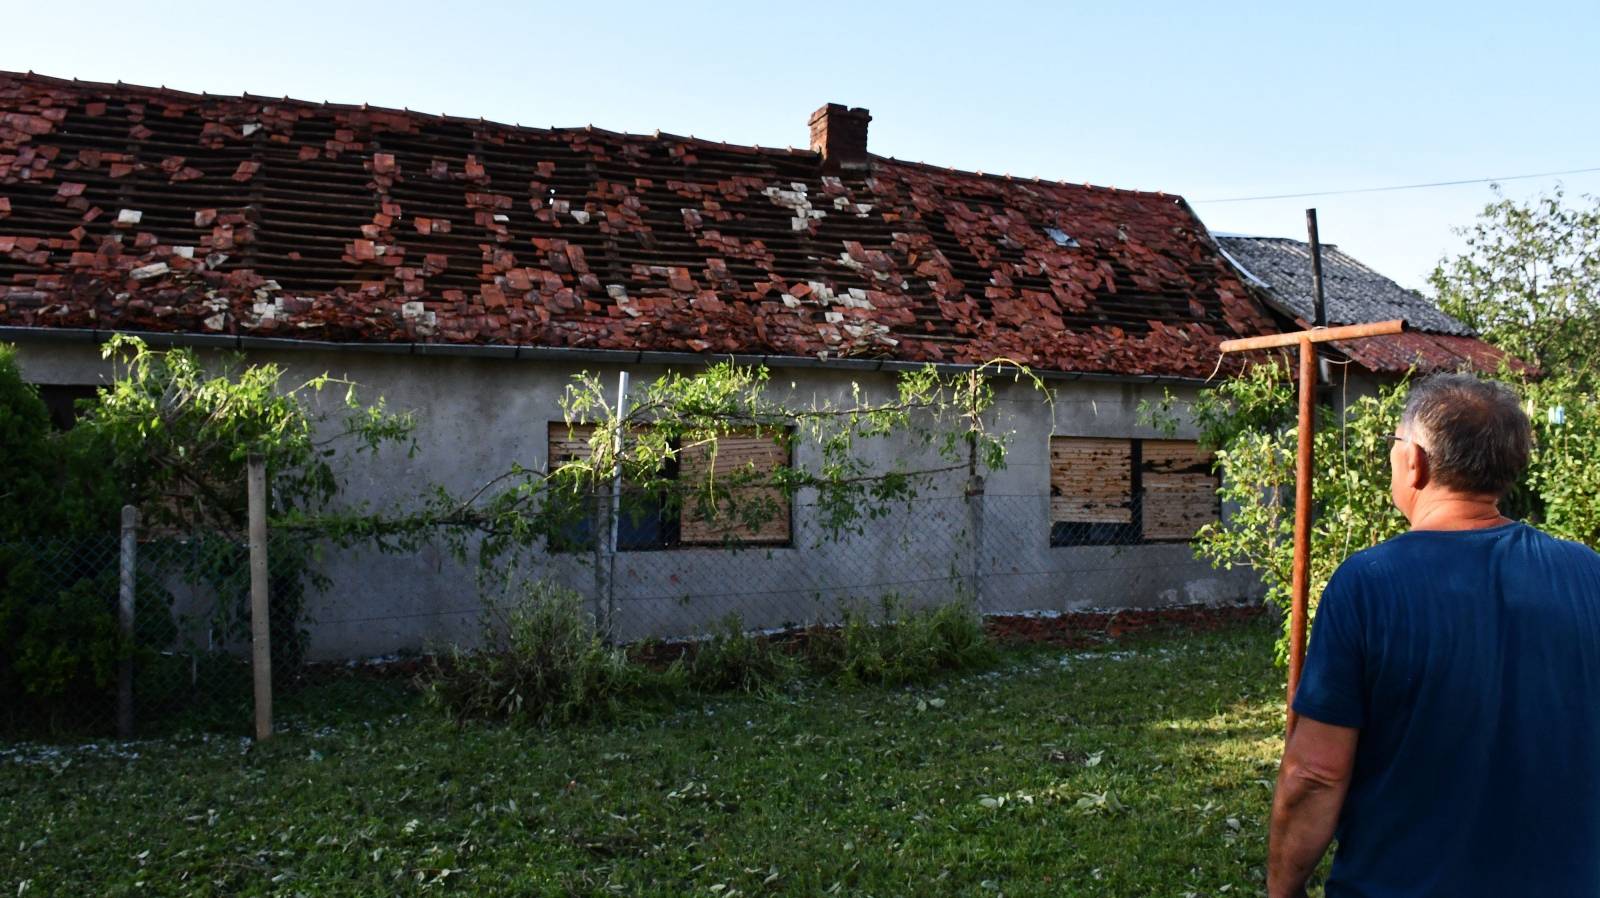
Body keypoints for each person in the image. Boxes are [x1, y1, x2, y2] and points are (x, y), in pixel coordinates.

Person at [1267, 373, 1600, 897]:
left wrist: (1283, 891)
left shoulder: (1368, 584)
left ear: (1415, 461)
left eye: (1394, 445)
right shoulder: (1588, 573)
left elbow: (1314, 773)